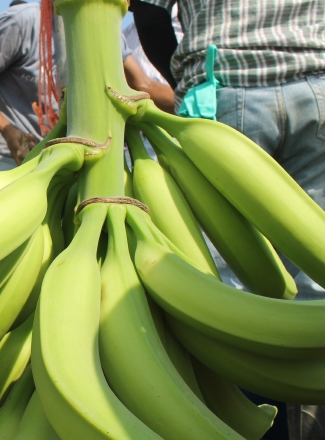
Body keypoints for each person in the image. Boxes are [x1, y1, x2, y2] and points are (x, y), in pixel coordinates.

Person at [131, 1, 325, 438]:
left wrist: (183, 76)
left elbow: (150, 12)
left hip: (226, 86)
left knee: (221, 291)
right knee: (318, 276)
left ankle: (248, 423)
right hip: (319, 82)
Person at [0, 2, 175, 178]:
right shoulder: (24, 20)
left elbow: (142, 86)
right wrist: (7, 129)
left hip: (66, 161)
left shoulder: (109, 31)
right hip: (6, 159)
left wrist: (190, 100)